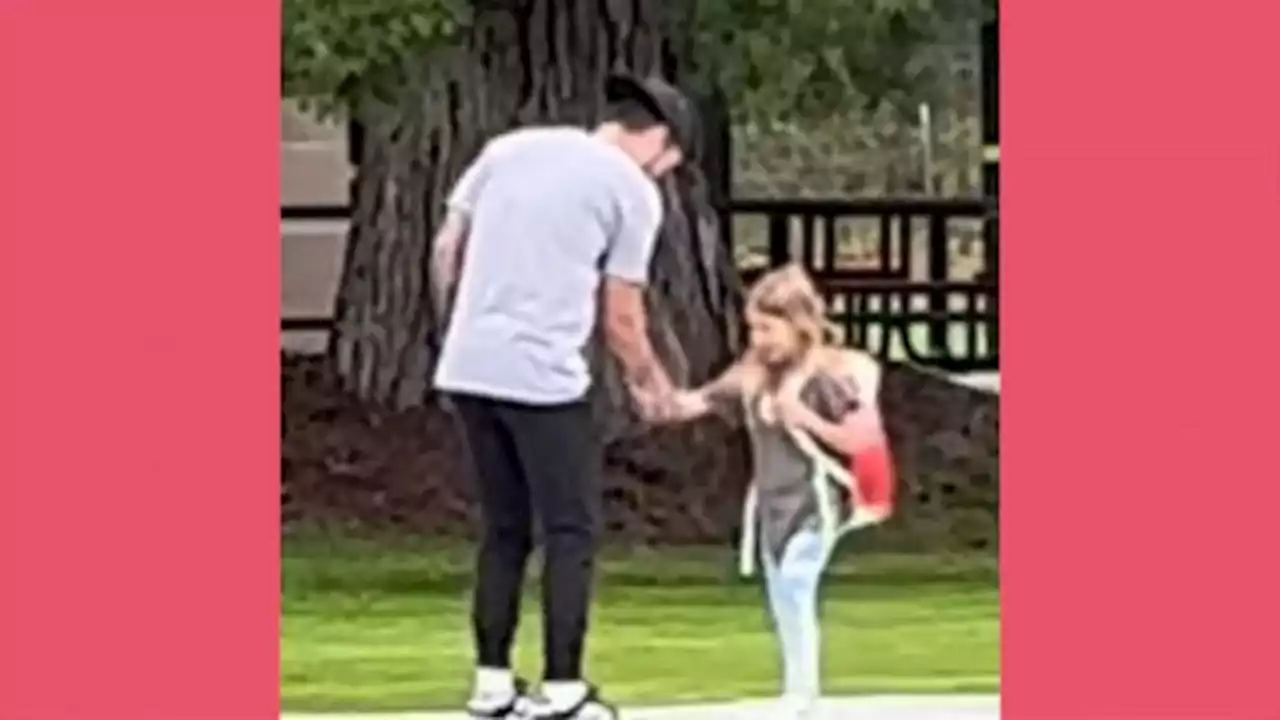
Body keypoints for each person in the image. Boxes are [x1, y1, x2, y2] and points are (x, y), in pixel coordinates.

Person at [429, 73, 698, 719]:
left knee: (503, 529)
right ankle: (564, 688)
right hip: (543, 377)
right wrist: (651, 388)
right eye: (670, 165)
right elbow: (622, 314)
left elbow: (446, 250)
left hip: (469, 366)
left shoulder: (509, 149)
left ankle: (492, 683)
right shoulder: (629, 190)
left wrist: (462, 328)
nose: (663, 177)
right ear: (658, 140)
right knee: (571, 530)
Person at [659, 263, 893, 720]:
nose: (759, 339)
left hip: (818, 499)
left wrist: (802, 417)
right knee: (781, 593)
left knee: (797, 581)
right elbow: (701, 400)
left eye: (769, 328)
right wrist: (655, 395)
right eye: (754, 328)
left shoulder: (825, 378)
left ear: (799, 325)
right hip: (772, 504)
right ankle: (796, 686)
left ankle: (802, 694)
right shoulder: (752, 374)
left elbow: (863, 440)